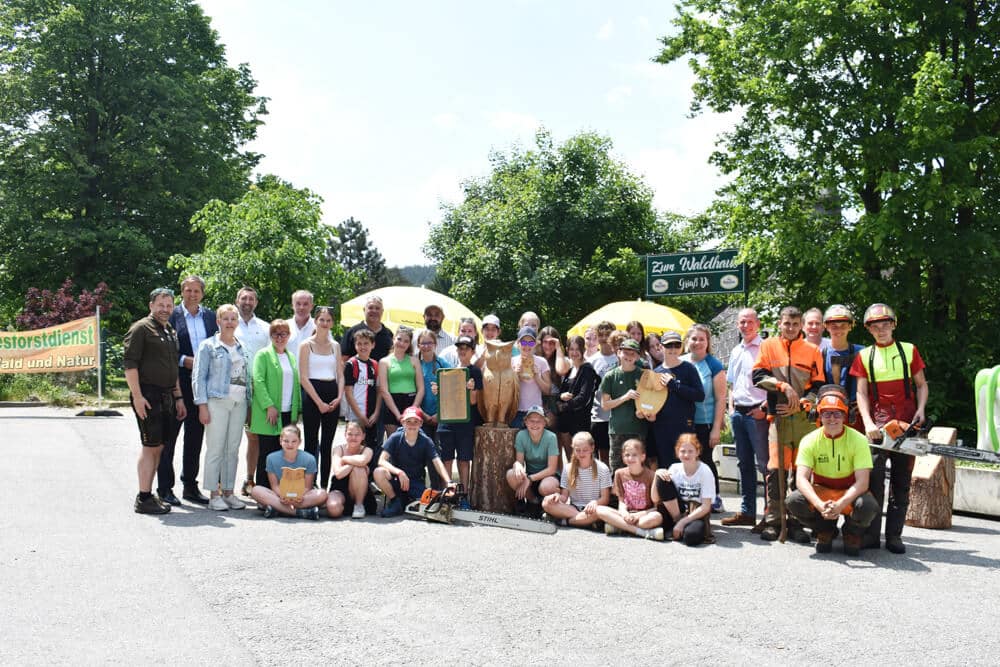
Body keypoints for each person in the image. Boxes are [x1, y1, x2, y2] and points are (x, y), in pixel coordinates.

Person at [850, 303, 928, 554]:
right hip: (878, 427)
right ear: (869, 330)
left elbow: (921, 385)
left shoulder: (908, 351)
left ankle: (894, 536)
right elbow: (861, 393)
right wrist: (869, 423)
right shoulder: (865, 356)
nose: (881, 330)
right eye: (875, 326)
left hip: (907, 423)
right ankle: (871, 535)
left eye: (885, 324)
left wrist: (921, 410)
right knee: (874, 481)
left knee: (901, 482)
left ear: (893, 324)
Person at [752, 306, 824, 543]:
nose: (791, 328)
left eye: (795, 324)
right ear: (780, 324)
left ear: (801, 325)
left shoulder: (813, 350)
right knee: (776, 470)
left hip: (804, 421)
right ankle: (774, 521)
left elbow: (818, 385)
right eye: (786, 324)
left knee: (801, 471)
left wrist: (802, 402)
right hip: (778, 418)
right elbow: (758, 377)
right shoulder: (768, 346)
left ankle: (797, 522)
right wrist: (782, 386)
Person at [786, 394, 879, 555]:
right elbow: (801, 479)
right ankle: (825, 529)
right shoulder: (809, 440)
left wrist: (841, 503)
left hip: (850, 491)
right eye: (826, 413)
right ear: (818, 416)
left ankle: (851, 532)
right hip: (822, 490)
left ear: (845, 416)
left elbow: (863, 482)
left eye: (837, 413)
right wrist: (819, 505)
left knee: (868, 506)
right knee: (794, 501)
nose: (832, 418)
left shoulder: (859, 440)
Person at [124, 287, 187, 514]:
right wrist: (138, 397)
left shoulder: (169, 330)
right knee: (150, 446)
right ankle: (143, 497)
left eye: (169, 305)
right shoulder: (141, 328)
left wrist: (178, 397)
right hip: (148, 395)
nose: (165, 309)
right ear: (151, 305)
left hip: (168, 394)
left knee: (159, 446)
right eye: (161, 305)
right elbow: (130, 365)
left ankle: (149, 495)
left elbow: (172, 369)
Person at [192, 303, 252, 511]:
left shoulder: (242, 346)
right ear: (218, 321)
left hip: (240, 402)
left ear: (237, 322)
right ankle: (213, 494)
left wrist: (250, 404)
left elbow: (247, 377)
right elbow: (198, 377)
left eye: (233, 319)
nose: (229, 322)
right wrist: (202, 406)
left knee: (232, 449)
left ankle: (228, 492)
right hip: (216, 401)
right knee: (215, 449)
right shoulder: (208, 346)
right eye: (225, 319)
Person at [164, 275, 218, 506]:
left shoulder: (210, 316)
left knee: (195, 437)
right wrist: (184, 360)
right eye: (188, 290)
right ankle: (165, 488)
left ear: (202, 294)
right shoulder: (171, 316)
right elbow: (163, 350)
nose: (192, 294)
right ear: (181, 292)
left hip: (202, 383)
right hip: (177, 381)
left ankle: (190, 486)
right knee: (170, 437)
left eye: (197, 291)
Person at [721, 308, 771, 531]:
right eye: (742, 322)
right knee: (744, 464)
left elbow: (774, 382)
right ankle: (748, 512)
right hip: (738, 413)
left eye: (750, 322)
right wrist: (731, 408)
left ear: (758, 324)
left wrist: (765, 408)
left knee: (765, 465)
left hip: (758, 412)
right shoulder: (735, 350)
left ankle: (770, 515)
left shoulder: (766, 349)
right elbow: (733, 383)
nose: (745, 326)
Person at [374, 406, 454, 518]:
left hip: (416, 482)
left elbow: (437, 463)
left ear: (421, 423)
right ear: (402, 422)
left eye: (415, 422)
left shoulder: (426, 441)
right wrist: (399, 472)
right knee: (378, 472)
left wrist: (449, 481)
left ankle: (406, 501)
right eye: (408, 421)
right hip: (397, 480)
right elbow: (381, 461)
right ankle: (395, 501)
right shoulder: (395, 437)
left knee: (434, 505)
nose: (412, 425)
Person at [250, 319, 301, 490]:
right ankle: (263, 494)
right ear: (270, 336)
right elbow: (258, 381)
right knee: (267, 454)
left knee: (284, 455)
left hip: (287, 413)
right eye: (275, 334)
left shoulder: (291, 357)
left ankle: (282, 492)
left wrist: (297, 411)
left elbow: (296, 385)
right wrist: (269, 406)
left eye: (283, 334)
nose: (279, 337)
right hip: (270, 413)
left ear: (289, 336)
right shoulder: (263, 355)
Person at [681, 323, 727, 513]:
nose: (697, 342)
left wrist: (716, 427)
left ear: (707, 342)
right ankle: (689, 499)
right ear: (687, 341)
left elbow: (721, 398)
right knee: (686, 460)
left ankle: (714, 497)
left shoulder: (714, 365)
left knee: (706, 461)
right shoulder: (681, 361)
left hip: (704, 422)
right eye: (694, 338)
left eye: (702, 339)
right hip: (683, 421)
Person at [433, 335, 482, 508]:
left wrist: (471, 390)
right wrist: (438, 390)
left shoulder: (475, 371)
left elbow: (473, 402)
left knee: (463, 460)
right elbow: (445, 398)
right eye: (460, 348)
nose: (462, 351)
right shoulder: (449, 371)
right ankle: (448, 493)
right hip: (446, 422)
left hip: (465, 423)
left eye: (466, 348)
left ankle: (464, 496)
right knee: (446, 459)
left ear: (472, 351)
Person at [298, 306, 344, 490]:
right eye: (321, 320)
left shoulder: (335, 346)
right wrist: (319, 402)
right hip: (312, 394)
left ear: (332, 323)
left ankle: (324, 485)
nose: (325, 323)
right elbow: (303, 376)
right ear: (315, 321)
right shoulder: (306, 345)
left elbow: (340, 374)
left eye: (328, 320)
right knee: (311, 442)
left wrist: (339, 396)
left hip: (332, 392)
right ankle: (310, 485)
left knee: (327, 443)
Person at [647, 331, 704, 468]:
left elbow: (699, 395)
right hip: (662, 426)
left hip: (684, 425)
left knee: (685, 465)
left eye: (676, 345)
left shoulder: (688, 368)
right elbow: (650, 400)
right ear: (661, 347)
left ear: (681, 347)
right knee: (666, 468)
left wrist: (674, 385)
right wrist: (649, 413)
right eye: (668, 345)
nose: (673, 349)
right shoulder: (656, 371)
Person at [235, 286, 271, 498]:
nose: (247, 302)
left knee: (253, 437)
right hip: (232, 388)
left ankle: (250, 478)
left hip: (256, 390)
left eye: (251, 299)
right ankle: (223, 482)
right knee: (229, 438)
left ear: (256, 303)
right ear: (237, 300)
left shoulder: (265, 328)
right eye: (243, 298)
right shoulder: (226, 322)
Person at [250, 424, 328, 519]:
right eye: (286, 441)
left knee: (322, 494)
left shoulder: (309, 459)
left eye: (294, 441)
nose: (290, 445)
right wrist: (283, 496)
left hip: (301, 496)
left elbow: (308, 487)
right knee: (255, 490)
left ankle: (279, 509)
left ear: (300, 442)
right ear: (280, 441)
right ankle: (299, 512)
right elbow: (274, 486)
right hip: (280, 495)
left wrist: (297, 497)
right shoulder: (271, 458)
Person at [652, 433, 715, 546]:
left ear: (697, 452)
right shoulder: (674, 468)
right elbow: (655, 499)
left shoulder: (705, 471)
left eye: (690, 451)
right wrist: (656, 476)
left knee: (691, 537)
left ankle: (676, 527)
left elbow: (706, 507)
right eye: (682, 451)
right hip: (676, 511)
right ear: (677, 452)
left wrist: (683, 522)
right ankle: (675, 523)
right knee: (662, 477)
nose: (686, 454)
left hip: (695, 512)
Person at [597, 438, 664, 540]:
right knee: (599, 509)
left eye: (634, 455)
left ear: (642, 457)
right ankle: (641, 532)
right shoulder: (619, 473)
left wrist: (638, 515)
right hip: (626, 514)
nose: (630, 458)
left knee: (657, 517)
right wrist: (624, 513)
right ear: (623, 458)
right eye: (627, 455)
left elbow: (655, 507)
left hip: (644, 515)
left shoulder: (651, 475)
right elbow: (621, 501)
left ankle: (619, 526)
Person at [541, 431, 612, 528]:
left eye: (585, 450)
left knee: (599, 512)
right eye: (578, 450)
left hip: (592, 508)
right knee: (546, 503)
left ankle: (565, 521)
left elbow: (605, 498)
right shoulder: (568, 468)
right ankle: (583, 521)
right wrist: (555, 497)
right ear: (573, 449)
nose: (581, 453)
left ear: (592, 448)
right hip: (573, 508)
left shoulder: (602, 468)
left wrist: (595, 502)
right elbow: (564, 497)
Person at [600, 338, 648, 474]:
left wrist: (644, 412)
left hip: (638, 429)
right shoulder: (610, 376)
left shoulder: (644, 375)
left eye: (633, 354)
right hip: (617, 430)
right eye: (626, 353)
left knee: (638, 468)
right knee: (617, 469)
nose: (629, 357)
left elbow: (650, 402)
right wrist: (625, 397)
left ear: (638, 356)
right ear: (618, 353)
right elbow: (605, 405)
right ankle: (617, 495)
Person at [506, 405, 561, 516]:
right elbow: (520, 462)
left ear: (545, 423)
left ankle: (547, 506)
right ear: (526, 422)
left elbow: (552, 468)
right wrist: (517, 465)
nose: (535, 424)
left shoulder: (551, 437)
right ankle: (533, 502)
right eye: (531, 421)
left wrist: (530, 479)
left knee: (546, 487)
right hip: (531, 475)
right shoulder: (521, 435)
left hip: (548, 476)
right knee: (511, 474)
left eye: (539, 421)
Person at [555, 335, 599, 463]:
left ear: (583, 350)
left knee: (583, 459)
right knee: (570, 460)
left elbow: (583, 398)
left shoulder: (587, 370)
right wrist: (561, 396)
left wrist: (563, 406)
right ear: (567, 350)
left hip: (580, 422)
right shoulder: (570, 370)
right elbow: (560, 393)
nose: (574, 353)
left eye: (577, 349)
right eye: (571, 349)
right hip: (566, 421)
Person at [822, 304, 865, 432]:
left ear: (850, 326)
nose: (838, 330)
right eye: (834, 326)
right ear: (826, 327)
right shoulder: (820, 354)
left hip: (856, 415)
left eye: (843, 326)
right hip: (829, 415)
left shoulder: (861, 352)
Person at [342, 329, 383, 457]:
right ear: (355, 345)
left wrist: (376, 413)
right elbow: (348, 393)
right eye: (359, 343)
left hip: (371, 416)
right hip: (356, 415)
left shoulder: (375, 365)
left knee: (370, 447)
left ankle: (369, 475)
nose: (362, 346)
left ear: (373, 345)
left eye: (366, 343)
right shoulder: (351, 364)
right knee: (354, 446)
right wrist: (360, 416)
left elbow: (379, 391)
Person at [378, 327, 423, 438]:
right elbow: (384, 390)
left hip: (411, 402)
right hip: (391, 405)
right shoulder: (384, 362)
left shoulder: (414, 361)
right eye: (399, 339)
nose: (402, 343)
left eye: (406, 341)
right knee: (394, 441)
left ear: (409, 344)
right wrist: (398, 415)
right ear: (394, 339)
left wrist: (413, 409)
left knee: (411, 440)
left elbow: (421, 388)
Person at [325, 420, 374, 519]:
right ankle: (344, 507)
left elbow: (363, 460)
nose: (353, 437)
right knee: (333, 509)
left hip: (359, 490)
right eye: (350, 434)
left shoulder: (367, 450)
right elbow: (338, 473)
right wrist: (353, 464)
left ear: (363, 436)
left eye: (357, 434)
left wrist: (345, 460)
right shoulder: (338, 449)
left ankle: (359, 505)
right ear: (345, 434)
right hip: (339, 488)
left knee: (359, 469)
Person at [587, 320, 619, 465]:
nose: (605, 337)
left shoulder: (620, 357)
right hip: (600, 414)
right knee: (603, 455)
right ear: (597, 337)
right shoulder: (591, 360)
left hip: (619, 413)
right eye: (601, 334)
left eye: (608, 334)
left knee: (618, 453)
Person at [510, 326, 550, 428]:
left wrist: (537, 376)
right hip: (516, 411)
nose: (527, 346)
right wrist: (515, 375)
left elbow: (548, 390)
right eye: (523, 342)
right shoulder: (511, 362)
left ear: (535, 344)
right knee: (518, 442)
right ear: (518, 344)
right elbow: (507, 391)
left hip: (536, 412)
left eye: (531, 343)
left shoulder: (542, 362)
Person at [416, 328, 451, 447]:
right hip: (422, 416)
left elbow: (452, 388)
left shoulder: (443, 364)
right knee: (424, 450)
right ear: (418, 345)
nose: (426, 346)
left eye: (429, 343)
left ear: (435, 344)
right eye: (423, 343)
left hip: (441, 415)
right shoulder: (416, 365)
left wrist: (439, 414)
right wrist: (423, 414)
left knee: (439, 450)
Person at [340, 294, 394, 361]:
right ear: (364, 310)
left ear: (382, 311)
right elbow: (343, 359)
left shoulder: (388, 334)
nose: (374, 311)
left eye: (377, 308)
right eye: (370, 308)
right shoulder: (352, 332)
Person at [538, 326, 569, 428]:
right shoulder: (535, 359)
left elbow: (561, 370)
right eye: (545, 342)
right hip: (538, 402)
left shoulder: (562, 359)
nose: (548, 345)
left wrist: (558, 348)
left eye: (552, 342)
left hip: (556, 403)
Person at [286, 289, 315, 354]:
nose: (301, 307)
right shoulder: (283, 327)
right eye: (298, 304)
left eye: (305, 304)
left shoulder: (319, 328)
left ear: (312, 306)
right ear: (292, 305)